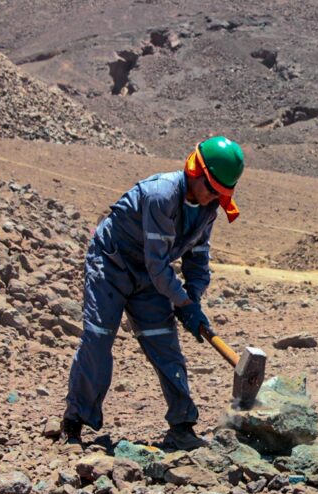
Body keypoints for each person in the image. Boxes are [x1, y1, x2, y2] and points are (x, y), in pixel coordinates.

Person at [60, 136, 244, 450]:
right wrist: (182, 302)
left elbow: (197, 259)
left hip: (149, 276)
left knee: (164, 342)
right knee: (99, 336)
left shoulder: (208, 208)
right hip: (112, 264)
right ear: (195, 171)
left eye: (222, 194)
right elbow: (158, 264)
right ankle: (74, 423)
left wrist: (193, 300)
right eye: (212, 190)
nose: (215, 198)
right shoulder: (161, 194)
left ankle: (182, 425)